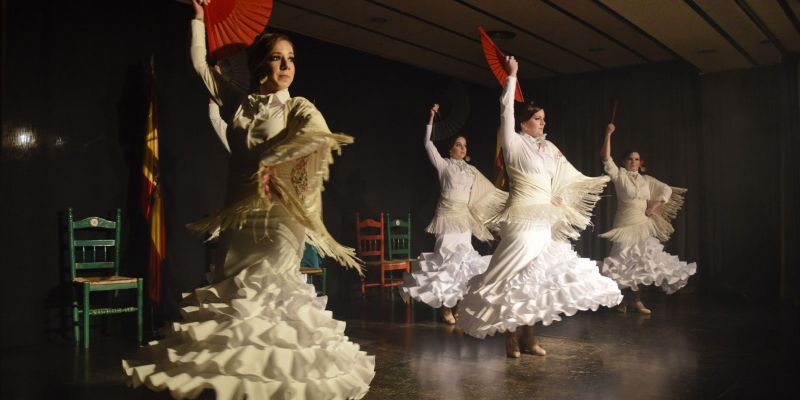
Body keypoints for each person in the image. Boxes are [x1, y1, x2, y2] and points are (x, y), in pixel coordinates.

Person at [122, 1, 375, 398]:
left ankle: (278, 384)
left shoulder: (298, 106)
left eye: (291, 59)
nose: (287, 66)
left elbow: (318, 139)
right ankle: (239, 382)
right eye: (277, 58)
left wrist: (276, 161)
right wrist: (199, 20)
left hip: (277, 217)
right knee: (235, 293)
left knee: (271, 293)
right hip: (237, 216)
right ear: (261, 67)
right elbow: (201, 68)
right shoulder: (241, 104)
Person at [456, 56, 623, 358]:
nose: (543, 123)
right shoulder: (513, 142)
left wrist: (555, 197)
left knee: (536, 277)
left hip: (542, 220)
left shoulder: (548, 149)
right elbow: (505, 108)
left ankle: (529, 336)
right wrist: (512, 77)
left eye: (544, 119)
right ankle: (510, 336)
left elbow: (560, 177)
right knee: (512, 274)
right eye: (537, 119)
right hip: (520, 218)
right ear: (523, 122)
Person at [401, 104, 507, 324]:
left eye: (465, 146)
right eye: (458, 145)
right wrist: (430, 118)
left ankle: (458, 304)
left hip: (464, 219)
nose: (462, 148)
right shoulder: (444, 165)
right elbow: (428, 144)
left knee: (463, 262)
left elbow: (485, 194)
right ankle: (446, 307)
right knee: (446, 260)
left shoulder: (472, 171)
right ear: (451, 149)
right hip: (447, 218)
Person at [598, 123, 697, 314]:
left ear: (640, 162)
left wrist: (655, 205)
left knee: (642, 262)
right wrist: (608, 134)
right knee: (623, 262)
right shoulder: (619, 176)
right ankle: (622, 300)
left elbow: (666, 189)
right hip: (625, 223)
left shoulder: (647, 180)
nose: (634, 162)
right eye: (630, 159)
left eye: (636, 159)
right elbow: (606, 157)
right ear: (624, 161)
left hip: (643, 224)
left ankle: (636, 300)